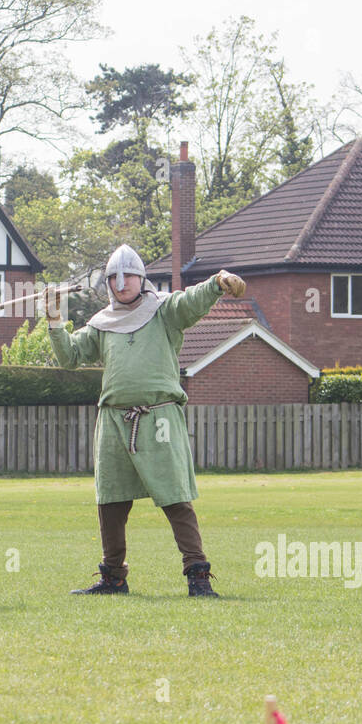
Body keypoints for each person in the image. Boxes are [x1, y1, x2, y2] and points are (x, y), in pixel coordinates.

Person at [47, 244, 245, 597]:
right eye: (114, 278)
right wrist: (53, 322)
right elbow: (71, 357)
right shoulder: (102, 323)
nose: (121, 283)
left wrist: (218, 281)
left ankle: (197, 576)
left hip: (158, 417)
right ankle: (113, 578)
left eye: (128, 276)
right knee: (110, 501)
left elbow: (191, 300)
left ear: (142, 278)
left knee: (174, 498)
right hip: (112, 419)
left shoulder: (165, 311)